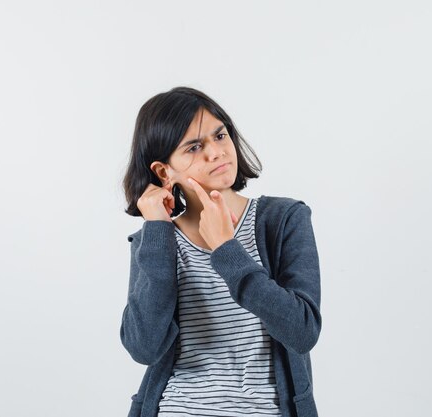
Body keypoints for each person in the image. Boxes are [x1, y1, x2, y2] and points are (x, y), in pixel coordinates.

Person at [120, 86, 322, 417]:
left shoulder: (283, 220)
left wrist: (227, 251)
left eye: (220, 135)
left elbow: (302, 332)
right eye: (194, 147)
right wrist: (156, 229)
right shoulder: (155, 242)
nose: (217, 152)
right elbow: (144, 347)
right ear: (163, 171)